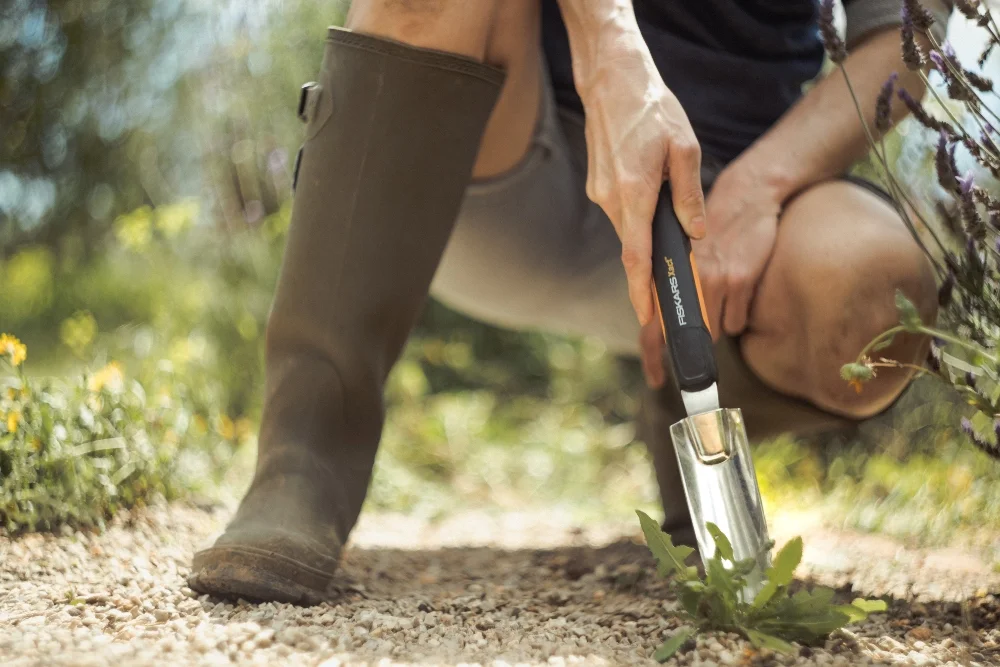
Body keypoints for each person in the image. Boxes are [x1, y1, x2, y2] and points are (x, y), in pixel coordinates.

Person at [188, 0, 946, 603]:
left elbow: (907, 40)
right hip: (507, 161)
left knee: (878, 294)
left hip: (730, 224)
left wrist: (757, 189)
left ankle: (688, 401)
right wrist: (612, 51)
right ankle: (303, 457)